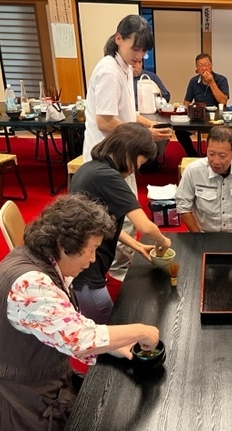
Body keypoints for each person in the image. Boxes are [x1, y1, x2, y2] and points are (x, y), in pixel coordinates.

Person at [0, 194, 162, 431]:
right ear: (64, 244)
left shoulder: (37, 256)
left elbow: (64, 320)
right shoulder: (30, 283)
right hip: (13, 382)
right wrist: (143, 331)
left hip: (12, 363)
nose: (94, 259)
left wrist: (119, 345)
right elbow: (79, 338)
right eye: (91, 250)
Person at [82, 15, 171, 282]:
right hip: (109, 157)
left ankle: (119, 268)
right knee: (126, 217)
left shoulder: (121, 66)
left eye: (144, 51)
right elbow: (105, 120)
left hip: (117, 154)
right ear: (118, 38)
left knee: (119, 216)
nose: (139, 55)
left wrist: (148, 127)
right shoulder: (109, 70)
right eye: (136, 48)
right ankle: (120, 274)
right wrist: (141, 135)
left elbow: (126, 112)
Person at [70, 123, 171, 324]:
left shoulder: (90, 168)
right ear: (129, 152)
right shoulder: (109, 177)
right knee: (112, 332)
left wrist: (138, 245)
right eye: (139, 162)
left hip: (80, 266)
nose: (136, 169)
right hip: (87, 272)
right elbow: (145, 226)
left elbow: (106, 224)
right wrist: (162, 241)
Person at [175, 126, 232, 232]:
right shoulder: (193, 170)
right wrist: (197, 237)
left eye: (222, 156)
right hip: (203, 233)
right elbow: (183, 206)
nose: (215, 161)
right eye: (211, 154)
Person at [176, 53, 230, 157]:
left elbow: (223, 101)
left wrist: (212, 83)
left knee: (222, 133)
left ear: (212, 65)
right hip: (198, 117)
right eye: (200, 66)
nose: (204, 68)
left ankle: (217, 155)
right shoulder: (193, 81)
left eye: (206, 64)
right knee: (180, 130)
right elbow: (186, 102)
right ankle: (193, 155)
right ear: (196, 68)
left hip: (217, 119)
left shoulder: (222, 80)